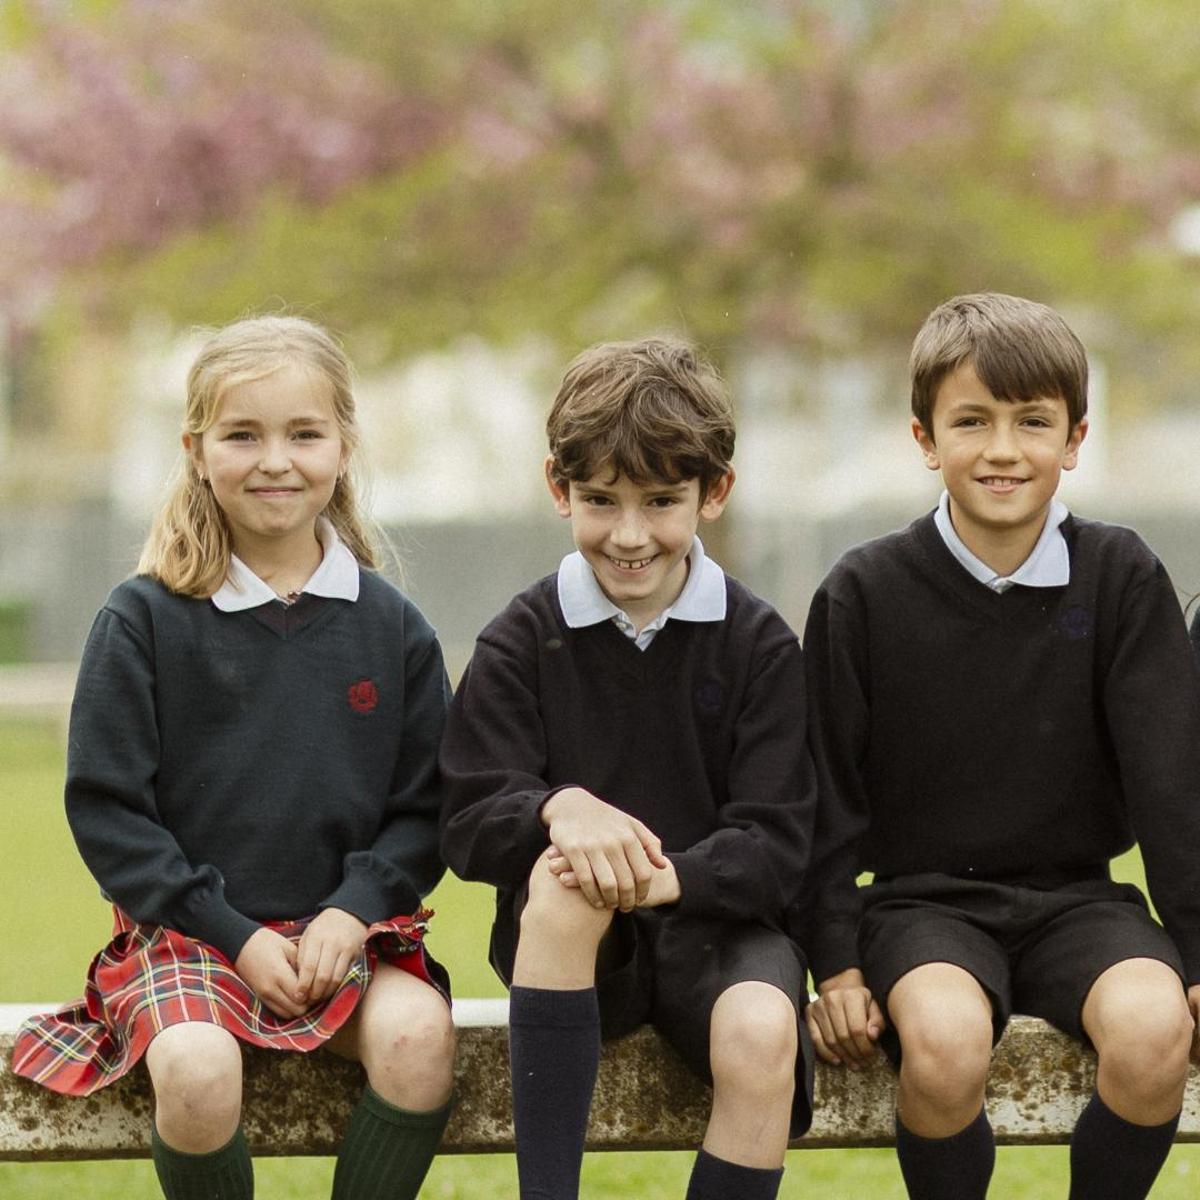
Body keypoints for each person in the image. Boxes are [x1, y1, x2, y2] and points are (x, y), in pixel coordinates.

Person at [12, 315, 455, 1200]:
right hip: (190, 936)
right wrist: (234, 934)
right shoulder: (142, 620)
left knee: (419, 1041)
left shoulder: (392, 627)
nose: (275, 461)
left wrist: (352, 912)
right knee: (196, 1071)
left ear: (344, 447)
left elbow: (428, 807)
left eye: (304, 434)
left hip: (346, 937)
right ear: (196, 450)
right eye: (242, 435)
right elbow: (108, 811)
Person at [799, 292, 1200, 1200]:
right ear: (925, 437)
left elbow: (1173, 785)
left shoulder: (1121, 576)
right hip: (919, 908)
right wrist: (838, 964)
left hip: (1079, 902)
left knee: (1154, 1034)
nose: (1004, 449)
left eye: (1033, 422)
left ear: (1075, 438)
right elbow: (824, 796)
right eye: (972, 421)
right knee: (945, 1045)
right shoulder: (862, 592)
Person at [439, 336, 816, 1200]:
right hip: (577, 954)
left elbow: (778, 844)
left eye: (662, 501)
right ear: (558, 489)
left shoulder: (759, 645)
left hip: (723, 934)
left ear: (714, 492)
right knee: (565, 883)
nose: (631, 534)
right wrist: (559, 809)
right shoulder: (521, 639)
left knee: (764, 1030)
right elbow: (466, 820)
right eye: (601, 501)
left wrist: (657, 877)